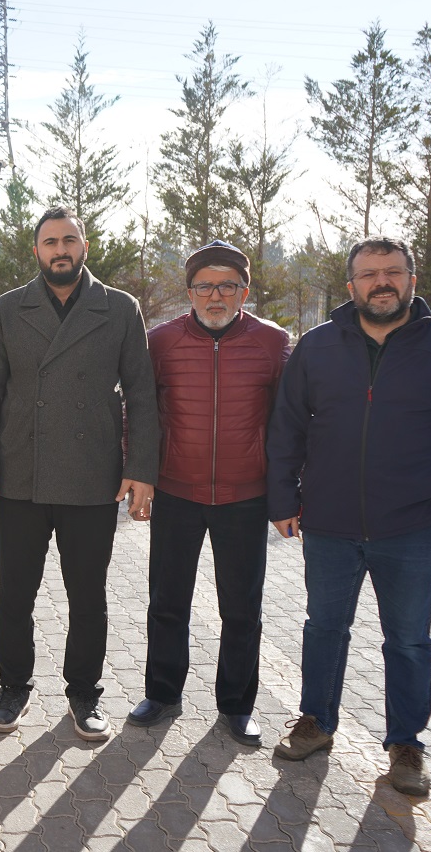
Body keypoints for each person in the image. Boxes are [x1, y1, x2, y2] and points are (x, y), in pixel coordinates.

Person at [268, 236, 431, 795]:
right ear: (350, 286)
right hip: (327, 523)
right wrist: (283, 500)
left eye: (393, 272)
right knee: (324, 628)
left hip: (415, 527)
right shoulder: (319, 347)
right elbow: (286, 428)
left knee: (408, 640)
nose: (382, 282)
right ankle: (316, 722)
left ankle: (406, 745)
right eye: (369, 273)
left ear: (411, 280)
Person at [0, 206, 158, 739]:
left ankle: (84, 694)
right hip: (19, 472)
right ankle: (12, 688)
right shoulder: (8, 309)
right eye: (50, 242)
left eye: (68, 240)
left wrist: (141, 469)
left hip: (92, 474)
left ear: (85, 246)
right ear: (37, 251)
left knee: (88, 596)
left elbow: (142, 393)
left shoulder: (120, 308)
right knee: (15, 592)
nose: (60, 250)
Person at [130, 241, 289, 746]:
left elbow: (289, 422)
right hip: (177, 491)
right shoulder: (160, 341)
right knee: (168, 601)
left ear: (244, 290)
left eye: (227, 285)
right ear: (190, 291)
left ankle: (237, 705)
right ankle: (161, 693)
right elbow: (140, 412)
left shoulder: (273, 342)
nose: (215, 295)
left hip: (245, 496)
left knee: (241, 608)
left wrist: (288, 491)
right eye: (204, 285)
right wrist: (141, 478)